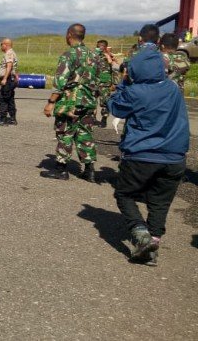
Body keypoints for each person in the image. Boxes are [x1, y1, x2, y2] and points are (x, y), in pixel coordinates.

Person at [108, 41, 188, 266]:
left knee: (124, 194)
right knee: (159, 203)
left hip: (142, 155)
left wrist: (123, 83)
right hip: (174, 157)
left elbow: (114, 107)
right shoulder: (172, 88)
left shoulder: (134, 92)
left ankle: (141, 234)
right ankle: (152, 246)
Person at [42, 24, 99, 182]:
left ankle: (61, 169)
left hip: (70, 102)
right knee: (85, 134)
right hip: (88, 101)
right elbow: (98, 80)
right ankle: (89, 170)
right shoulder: (94, 56)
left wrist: (50, 102)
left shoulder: (69, 55)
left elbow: (60, 82)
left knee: (65, 133)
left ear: (69, 35)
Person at [0, 38, 18, 126]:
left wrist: (4, 78)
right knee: (10, 99)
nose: (1, 46)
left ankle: (3, 119)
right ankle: (12, 119)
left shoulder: (9, 53)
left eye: (1, 44)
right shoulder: (11, 53)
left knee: (2, 99)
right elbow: (14, 68)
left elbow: (9, 66)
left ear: (6, 45)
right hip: (10, 79)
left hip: (7, 80)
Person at [94, 40, 115, 127]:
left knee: (104, 102)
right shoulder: (93, 56)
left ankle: (104, 119)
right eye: (98, 46)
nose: (100, 47)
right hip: (94, 82)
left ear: (106, 47)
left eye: (102, 46)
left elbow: (115, 67)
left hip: (105, 83)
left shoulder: (110, 56)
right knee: (92, 101)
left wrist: (108, 56)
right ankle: (93, 119)